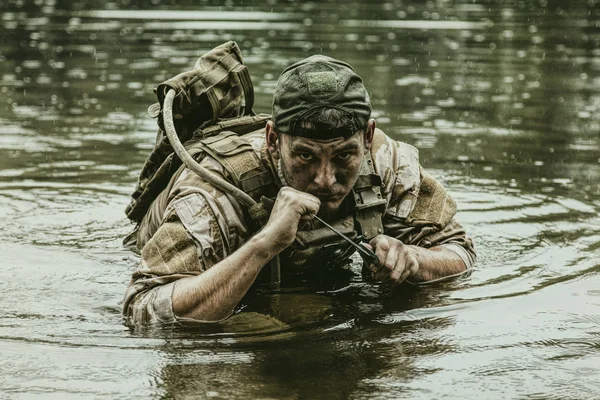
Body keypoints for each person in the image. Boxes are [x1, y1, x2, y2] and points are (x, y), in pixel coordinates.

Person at [122, 55, 476, 326]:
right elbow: (145, 308)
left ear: (367, 138)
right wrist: (264, 245)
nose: (325, 179)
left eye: (344, 155)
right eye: (305, 155)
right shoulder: (215, 190)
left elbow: (460, 252)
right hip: (181, 257)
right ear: (274, 140)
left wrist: (415, 260)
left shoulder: (387, 162)